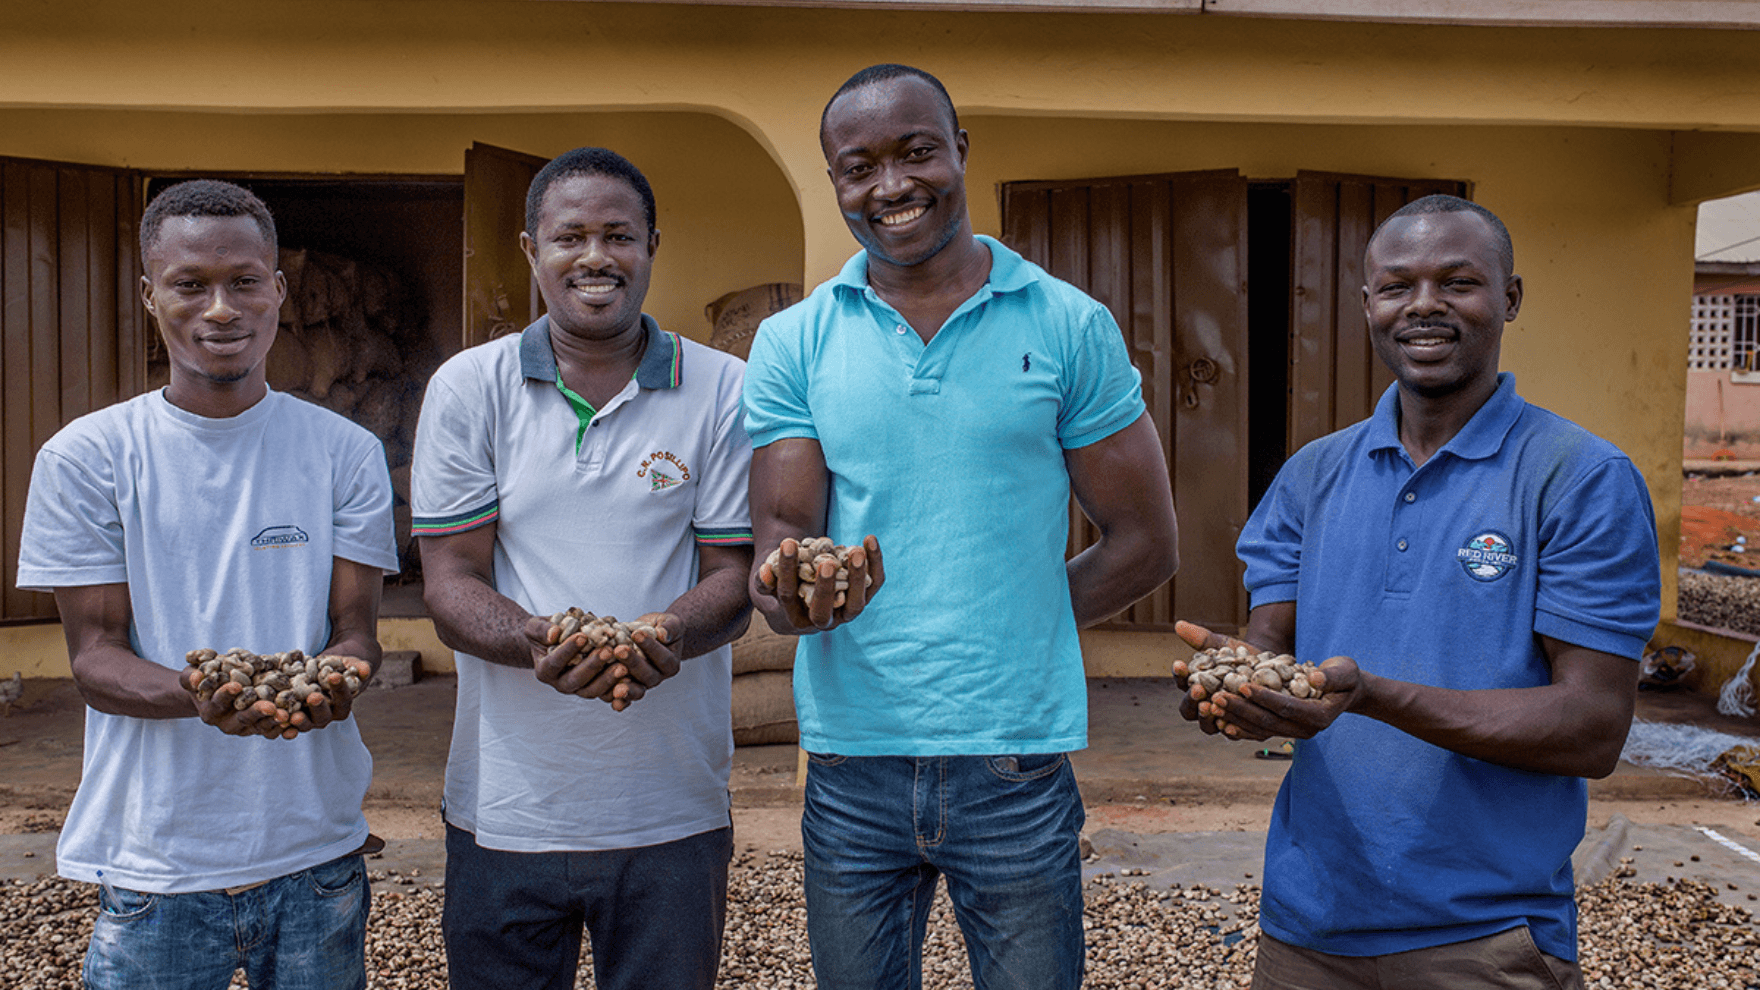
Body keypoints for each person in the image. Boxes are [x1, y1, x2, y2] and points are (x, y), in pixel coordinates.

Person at [743, 64, 1180, 990]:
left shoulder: (1067, 323)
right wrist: (793, 601)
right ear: (835, 184)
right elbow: (782, 546)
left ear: (960, 151)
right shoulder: (795, 340)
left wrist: (1014, 623)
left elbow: (1147, 541)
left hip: (1014, 758)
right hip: (852, 758)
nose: (891, 186)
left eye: (916, 152)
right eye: (858, 167)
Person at [1174, 194, 1661, 990]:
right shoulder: (1315, 473)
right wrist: (1234, 684)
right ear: (1368, 305)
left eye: (1458, 282)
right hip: (1306, 928)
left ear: (1509, 298)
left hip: (1487, 936)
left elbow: (1593, 727)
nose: (1424, 305)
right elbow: (1271, 639)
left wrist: (1372, 694)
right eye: (1397, 285)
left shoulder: (1580, 478)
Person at [15, 178, 398, 990]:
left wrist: (337, 679)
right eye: (191, 285)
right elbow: (94, 656)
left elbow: (356, 631)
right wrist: (200, 694)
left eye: (244, 282)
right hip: (157, 859)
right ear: (152, 296)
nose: (220, 308)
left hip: (315, 853)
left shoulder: (344, 452)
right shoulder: (89, 458)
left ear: (278, 292)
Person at [413, 146, 754, 990]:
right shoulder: (469, 388)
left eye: (619, 235)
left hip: (670, 808)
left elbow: (734, 574)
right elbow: (450, 579)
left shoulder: (723, 389)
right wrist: (535, 641)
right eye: (571, 236)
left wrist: (665, 632)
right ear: (531, 250)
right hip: (506, 809)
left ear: (651, 247)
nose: (596, 257)